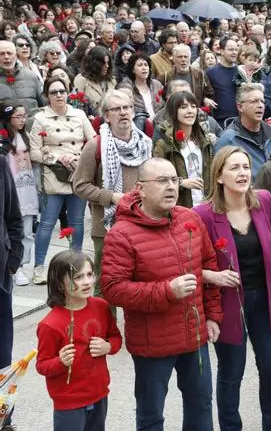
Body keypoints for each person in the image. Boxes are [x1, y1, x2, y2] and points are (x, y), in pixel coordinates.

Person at [101, 157, 223, 431]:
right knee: (151, 414)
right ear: (141, 189)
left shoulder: (189, 218)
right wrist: (166, 291)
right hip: (152, 344)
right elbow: (112, 289)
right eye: (162, 181)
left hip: (195, 336)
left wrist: (213, 315)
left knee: (201, 404)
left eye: (174, 180)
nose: (171, 187)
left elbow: (209, 266)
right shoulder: (122, 233)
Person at [193, 146, 271, 430]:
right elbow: (186, 263)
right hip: (228, 304)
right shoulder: (203, 215)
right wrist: (212, 275)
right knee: (232, 372)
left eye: (245, 167)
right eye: (234, 168)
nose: (243, 173)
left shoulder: (264, 200)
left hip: (266, 298)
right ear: (219, 176)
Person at [72, 90, 153, 297]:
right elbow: (79, 186)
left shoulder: (145, 144)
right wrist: (111, 197)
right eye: (116, 109)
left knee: (140, 281)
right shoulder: (95, 146)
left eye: (127, 108)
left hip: (141, 224)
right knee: (106, 284)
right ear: (107, 115)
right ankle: (106, 328)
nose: (123, 113)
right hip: (107, 228)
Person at [35, 250, 122, 431]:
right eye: (78, 277)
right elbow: (42, 365)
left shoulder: (101, 306)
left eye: (90, 274)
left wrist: (108, 346)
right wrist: (60, 362)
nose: (87, 281)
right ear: (59, 283)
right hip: (69, 401)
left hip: (99, 393)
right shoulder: (50, 324)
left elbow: (115, 338)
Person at [29, 78, 96, 285]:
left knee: (76, 222)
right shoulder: (40, 119)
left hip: (78, 173)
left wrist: (80, 158)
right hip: (53, 176)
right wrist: (57, 158)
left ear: (68, 93)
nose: (59, 95)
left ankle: (76, 265)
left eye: (62, 91)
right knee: (47, 223)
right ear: (47, 96)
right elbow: (33, 152)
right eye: (53, 92)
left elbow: (93, 140)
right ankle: (39, 267)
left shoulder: (79, 114)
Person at [153, 91, 213, 208]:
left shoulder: (205, 141)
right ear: (174, 112)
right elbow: (156, 178)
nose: (190, 111)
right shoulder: (164, 143)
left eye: (193, 106)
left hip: (207, 206)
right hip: (180, 208)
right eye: (183, 107)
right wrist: (181, 183)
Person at [0, 102, 37, 286]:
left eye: (24, 116)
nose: (23, 120)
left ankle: (22, 263)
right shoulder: (4, 139)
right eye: (18, 116)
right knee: (12, 226)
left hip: (28, 187)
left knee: (27, 230)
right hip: (12, 188)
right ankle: (14, 266)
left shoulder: (25, 136)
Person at [0, 150, 23, 431]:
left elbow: (13, 217)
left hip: (0, 278)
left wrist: (13, 261)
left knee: (2, 357)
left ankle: (3, 419)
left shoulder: (1, 163)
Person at [215, 83, 271, 177]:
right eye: (254, 101)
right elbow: (218, 174)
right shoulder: (229, 139)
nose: (260, 105)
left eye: (262, 101)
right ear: (240, 107)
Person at [163, 44, 216, 111]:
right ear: (173, 58)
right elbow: (162, 99)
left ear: (190, 58)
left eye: (186, 57)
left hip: (195, 114)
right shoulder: (166, 76)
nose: (183, 59)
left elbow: (210, 94)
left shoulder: (200, 74)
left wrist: (205, 99)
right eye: (180, 57)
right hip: (174, 115)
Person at [0, 40, 43, 114]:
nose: (6, 57)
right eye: (2, 54)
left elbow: (42, 105)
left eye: (9, 53)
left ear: (16, 56)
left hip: (32, 123)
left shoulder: (31, 76)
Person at [117, 54, 163, 121]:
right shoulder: (126, 88)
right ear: (133, 70)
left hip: (159, 124)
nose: (144, 68)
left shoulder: (157, 85)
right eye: (140, 65)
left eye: (146, 65)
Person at [73, 46, 116, 115]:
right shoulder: (81, 80)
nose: (107, 66)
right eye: (103, 63)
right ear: (94, 64)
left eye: (108, 63)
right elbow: (77, 106)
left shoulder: (111, 80)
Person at [207, 36, 239, 126]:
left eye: (236, 50)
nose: (234, 52)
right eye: (231, 49)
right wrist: (205, 99)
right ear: (221, 51)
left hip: (240, 120)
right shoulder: (210, 72)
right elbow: (202, 93)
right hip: (219, 122)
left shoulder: (241, 71)